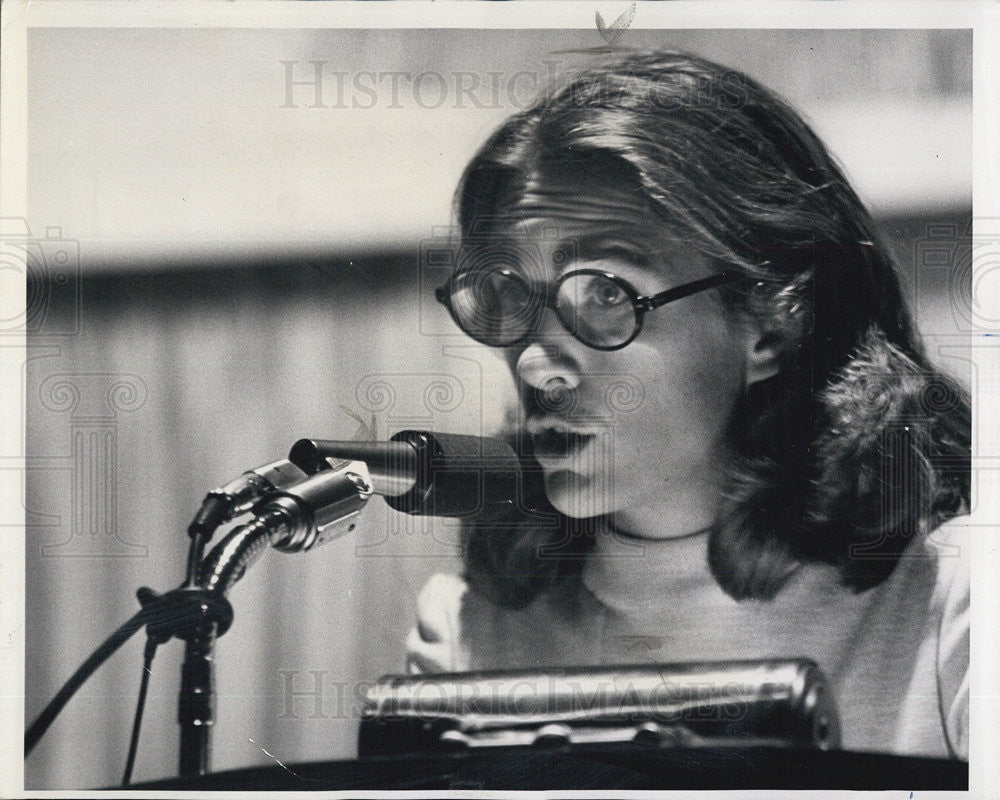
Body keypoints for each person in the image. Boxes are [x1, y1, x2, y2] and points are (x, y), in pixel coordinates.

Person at [405, 51, 970, 759]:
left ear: (771, 322)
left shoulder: (955, 602)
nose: (536, 362)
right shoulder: (472, 629)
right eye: (511, 296)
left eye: (607, 294)